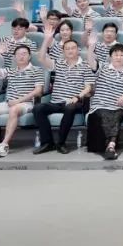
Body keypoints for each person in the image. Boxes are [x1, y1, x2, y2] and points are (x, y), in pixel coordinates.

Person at [0, 42, 44, 158]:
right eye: (18, 54)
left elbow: (38, 91)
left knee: (14, 109)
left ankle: (4, 144)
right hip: (8, 103)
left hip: (26, 103)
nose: (21, 56)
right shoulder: (10, 71)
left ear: (29, 56)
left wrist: (18, 101)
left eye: (24, 54)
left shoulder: (37, 70)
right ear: (14, 57)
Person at [34, 27, 94, 155]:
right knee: (38, 108)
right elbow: (41, 58)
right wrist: (46, 39)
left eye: (73, 48)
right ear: (63, 51)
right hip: (56, 101)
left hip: (75, 102)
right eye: (67, 49)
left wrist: (77, 97)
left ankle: (61, 143)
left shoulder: (86, 65)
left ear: (78, 50)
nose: (70, 51)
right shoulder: (58, 63)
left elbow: (88, 87)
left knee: (69, 108)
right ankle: (47, 142)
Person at [84, 39, 123, 160]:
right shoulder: (102, 67)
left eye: (121, 55)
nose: (118, 57)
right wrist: (91, 47)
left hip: (120, 107)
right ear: (110, 56)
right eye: (116, 55)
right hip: (100, 105)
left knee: (116, 114)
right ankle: (111, 145)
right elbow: (90, 61)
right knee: (104, 114)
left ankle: (110, 146)